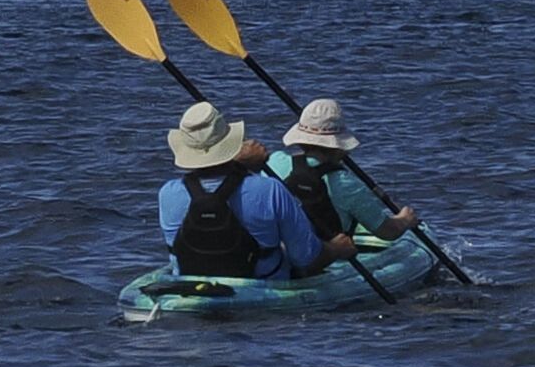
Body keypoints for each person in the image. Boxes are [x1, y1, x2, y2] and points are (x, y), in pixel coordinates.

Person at [158, 105, 331, 284]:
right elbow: (305, 257)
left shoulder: (167, 193)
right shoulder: (271, 189)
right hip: (262, 287)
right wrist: (336, 250)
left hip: (190, 285)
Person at [273, 98, 396, 261]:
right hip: (324, 259)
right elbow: (387, 232)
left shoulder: (274, 162)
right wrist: (406, 220)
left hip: (281, 253)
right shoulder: (346, 183)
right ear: (339, 147)